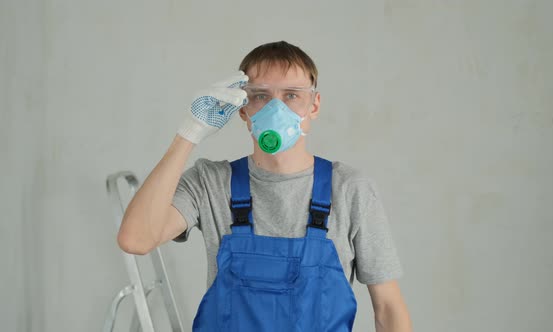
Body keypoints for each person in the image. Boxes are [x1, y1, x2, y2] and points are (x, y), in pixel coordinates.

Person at [117, 41, 412, 332]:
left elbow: (388, 309)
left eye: (292, 95)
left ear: (314, 105)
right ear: (243, 110)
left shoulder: (349, 190)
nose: (276, 108)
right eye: (260, 96)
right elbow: (136, 240)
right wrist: (189, 133)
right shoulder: (210, 183)